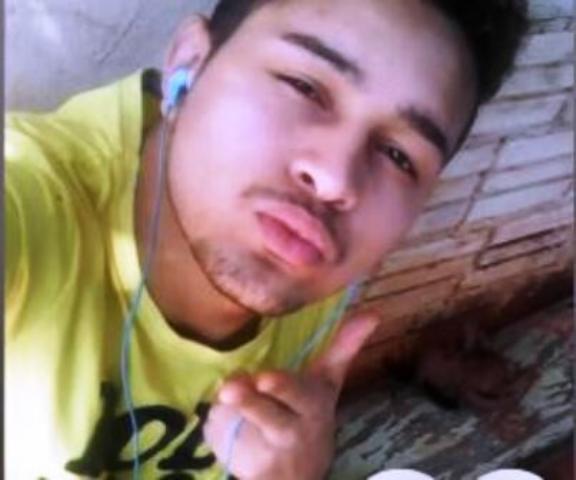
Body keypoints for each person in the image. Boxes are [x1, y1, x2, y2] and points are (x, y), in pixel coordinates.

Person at [5, 0, 529, 478]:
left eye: (398, 155)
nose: (336, 180)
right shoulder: (33, 205)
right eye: (305, 86)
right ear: (189, 61)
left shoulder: (307, 257)